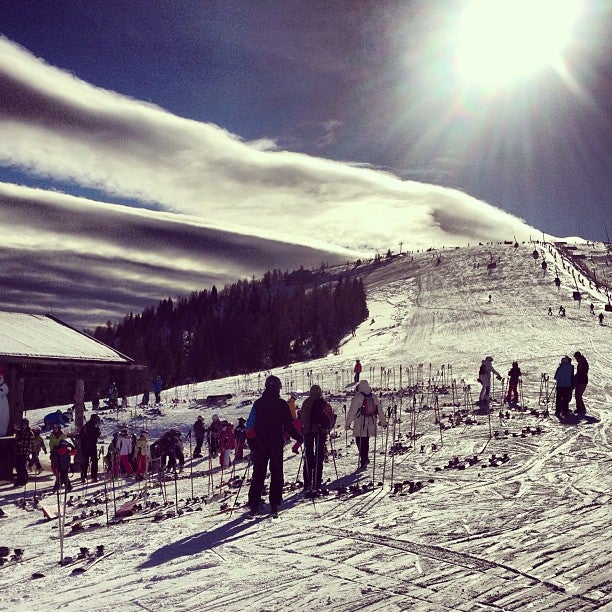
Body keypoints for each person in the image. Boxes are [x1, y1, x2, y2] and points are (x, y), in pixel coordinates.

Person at [246, 375, 302, 516]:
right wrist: (298, 437)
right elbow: (289, 425)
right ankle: (274, 505)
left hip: (260, 443)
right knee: (276, 472)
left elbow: (249, 424)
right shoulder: (281, 404)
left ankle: (254, 505)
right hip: (276, 443)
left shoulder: (258, 403)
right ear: (278, 388)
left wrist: (252, 442)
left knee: (258, 473)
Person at [345, 380, 387, 470]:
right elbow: (379, 410)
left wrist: (347, 424)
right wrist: (383, 422)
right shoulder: (373, 396)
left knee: (359, 441)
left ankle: (364, 460)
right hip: (371, 422)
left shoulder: (358, 397)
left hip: (360, 423)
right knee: (366, 441)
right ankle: (365, 459)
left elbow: (352, 412)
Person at [299, 384, 330, 494]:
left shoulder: (306, 402)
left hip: (308, 432)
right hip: (320, 432)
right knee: (319, 456)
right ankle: (317, 481)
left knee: (308, 455)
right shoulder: (323, 403)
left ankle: (307, 483)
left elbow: (301, 417)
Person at [79, 414, 101, 482]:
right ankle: (93, 477)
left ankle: (84, 477)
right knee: (93, 461)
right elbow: (96, 434)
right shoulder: (92, 426)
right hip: (89, 446)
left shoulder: (85, 426)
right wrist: (98, 430)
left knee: (86, 462)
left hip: (86, 446)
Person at [14, 418, 34, 487]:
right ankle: (19, 479)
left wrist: (27, 452)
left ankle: (24, 480)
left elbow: (30, 443)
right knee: (17, 466)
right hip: (18, 451)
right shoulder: (19, 432)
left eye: (25, 424)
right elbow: (16, 440)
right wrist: (18, 443)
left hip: (25, 452)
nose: (23, 426)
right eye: (22, 424)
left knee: (22, 466)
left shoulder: (29, 433)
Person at [573, 351, 589, 416]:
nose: (576, 359)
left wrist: (577, 376)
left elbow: (583, 372)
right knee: (577, 395)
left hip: (582, 381)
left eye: (576, 358)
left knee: (578, 395)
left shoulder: (583, 363)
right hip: (580, 380)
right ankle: (580, 408)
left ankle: (581, 409)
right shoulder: (581, 362)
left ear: (579, 356)